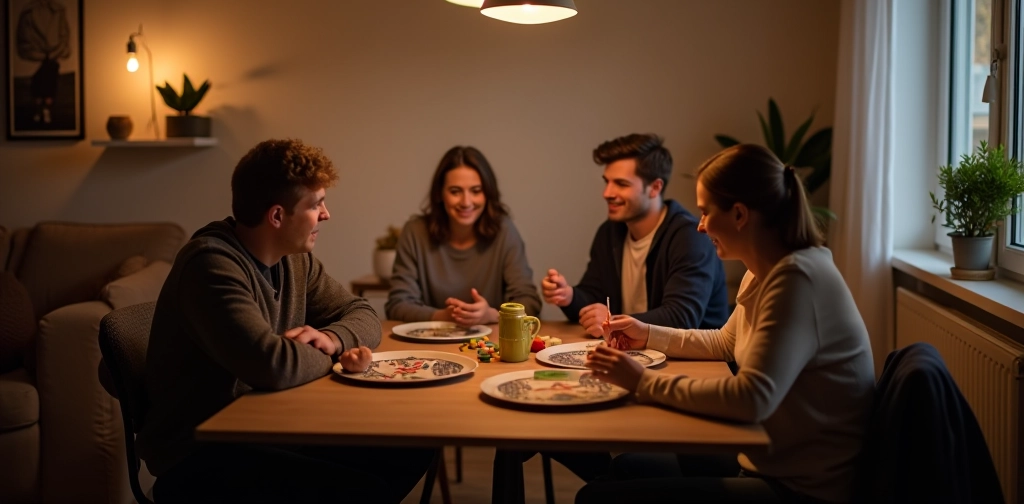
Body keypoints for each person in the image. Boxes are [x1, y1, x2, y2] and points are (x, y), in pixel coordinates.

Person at [138, 139, 433, 503]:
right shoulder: (210, 266)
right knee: (364, 488)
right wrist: (331, 355)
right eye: (315, 204)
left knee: (417, 442)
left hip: (267, 428)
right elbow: (273, 365)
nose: (326, 214)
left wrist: (332, 338)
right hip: (202, 454)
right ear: (277, 216)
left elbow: (364, 314)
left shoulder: (293, 259)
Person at [579, 144, 875, 504]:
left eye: (705, 212)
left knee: (595, 498)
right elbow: (723, 343)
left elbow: (752, 399)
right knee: (626, 468)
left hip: (801, 489)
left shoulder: (797, 280)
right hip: (766, 459)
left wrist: (642, 381)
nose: (700, 225)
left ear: (739, 214)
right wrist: (647, 334)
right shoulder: (765, 270)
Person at [543, 133, 729, 337]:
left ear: (655, 187)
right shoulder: (610, 232)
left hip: (698, 361)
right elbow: (594, 300)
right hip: (635, 353)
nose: (607, 193)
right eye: (607, 182)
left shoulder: (691, 236)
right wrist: (569, 296)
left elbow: (681, 318)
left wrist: (613, 321)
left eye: (621, 184)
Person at [385, 145, 541, 324]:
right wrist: (443, 317)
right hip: (430, 345)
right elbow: (397, 304)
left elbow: (529, 302)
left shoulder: (504, 231)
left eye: (476, 191)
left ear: (488, 194)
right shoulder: (415, 232)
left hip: (490, 344)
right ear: (440, 194)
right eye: (455, 191)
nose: (466, 202)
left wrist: (491, 315)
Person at [16, 0, 70, 124]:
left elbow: (64, 34)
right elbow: (24, 36)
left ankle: (44, 110)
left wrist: (55, 51)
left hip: (52, 55)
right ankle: (41, 110)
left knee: (48, 75)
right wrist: (39, 53)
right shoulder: (29, 11)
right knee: (43, 78)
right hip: (38, 55)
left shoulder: (58, 9)